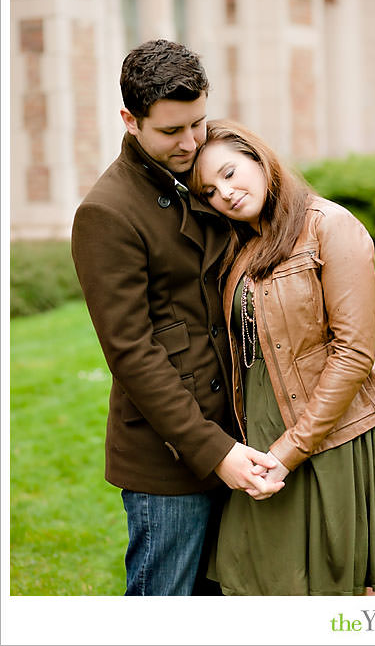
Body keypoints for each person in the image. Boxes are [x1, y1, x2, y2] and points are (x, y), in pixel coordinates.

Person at [187, 118, 375, 595]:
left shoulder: (330, 226)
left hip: (328, 434)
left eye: (230, 173)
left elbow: (355, 352)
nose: (226, 193)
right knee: (253, 581)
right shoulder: (242, 244)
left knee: (324, 588)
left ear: (259, 159)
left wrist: (290, 451)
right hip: (258, 434)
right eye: (211, 190)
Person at [71, 40, 283, 596]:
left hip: (241, 433)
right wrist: (214, 451)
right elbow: (131, 352)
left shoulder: (205, 175)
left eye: (198, 123)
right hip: (168, 459)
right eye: (171, 131)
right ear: (130, 120)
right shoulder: (106, 212)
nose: (191, 143)